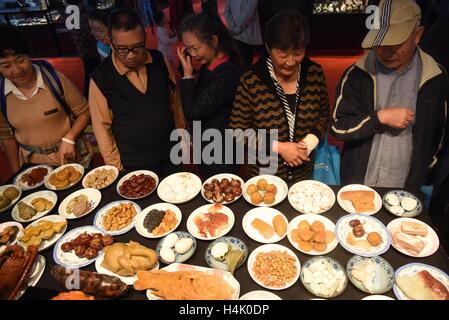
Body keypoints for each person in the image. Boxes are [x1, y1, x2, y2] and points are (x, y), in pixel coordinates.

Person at [330, 0, 448, 194]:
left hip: (406, 189)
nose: (386, 51)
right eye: (379, 43)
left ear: (417, 35)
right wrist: (380, 118)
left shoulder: (436, 77)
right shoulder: (357, 73)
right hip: (359, 183)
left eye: (396, 43)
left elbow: (439, 134)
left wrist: (425, 169)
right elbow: (338, 126)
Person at [229, 11, 330, 182]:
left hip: (303, 175)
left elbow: (323, 115)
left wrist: (308, 144)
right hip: (263, 177)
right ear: (268, 48)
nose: (290, 62)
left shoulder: (314, 73)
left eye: (298, 53)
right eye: (283, 55)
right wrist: (280, 147)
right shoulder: (252, 80)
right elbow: (237, 131)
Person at [89, 9, 185, 177]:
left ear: (145, 39)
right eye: (123, 49)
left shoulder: (159, 60)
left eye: (137, 47)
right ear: (110, 43)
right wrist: (116, 169)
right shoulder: (101, 78)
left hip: (170, 153)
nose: (131, 56)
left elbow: (174, 102)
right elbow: (101, 129)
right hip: (134, 164)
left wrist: (182, 135)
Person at [0, 25, 92, 174]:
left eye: (20, 60)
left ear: (29, 55)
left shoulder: (53, 79)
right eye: (6, 65)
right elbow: (7, 138)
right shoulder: (1, 94)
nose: (16, 70)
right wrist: (16, 174)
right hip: (33, 168)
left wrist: (69, 138)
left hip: (70, 159)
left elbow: (85, 112)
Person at [177, 13, 244, 179]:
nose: (192, 54)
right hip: (208, 144)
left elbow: (193, 111)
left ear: (214, 41)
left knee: (221, 193)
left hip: (221, 150)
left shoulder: (226, 73)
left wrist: (187, 76)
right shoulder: (209, 64)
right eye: (188, 49)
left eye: (196, 48)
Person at [65, 0, 101, 97]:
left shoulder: (71, 14)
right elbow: (88, 35)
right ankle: (90, 95)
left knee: (90, 73)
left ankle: (90, 95)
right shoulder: (80, 16)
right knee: (93, 74)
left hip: (82, 50)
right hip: (90, 51)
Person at [225, 0, 263, 67]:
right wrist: (237, 28)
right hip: (246, 36)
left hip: (238, 35)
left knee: (236, 65)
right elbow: (249, 11)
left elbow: (227, 10)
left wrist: (233, 27)